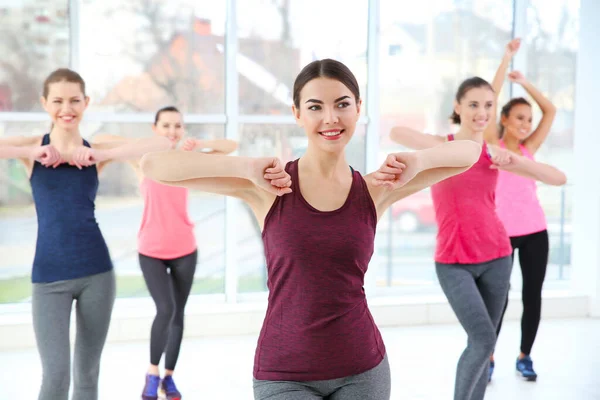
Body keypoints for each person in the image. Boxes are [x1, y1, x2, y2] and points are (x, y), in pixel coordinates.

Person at [139, 58, 481, 400]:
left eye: (342, 104)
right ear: (297, 113)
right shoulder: (270, 186)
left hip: (363, 369)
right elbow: (154, 165)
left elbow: (470, 151)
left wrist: (419, 160)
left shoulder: (376, 189)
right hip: (283, 374)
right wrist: (246, 167)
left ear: (358, 108)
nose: (330, 118)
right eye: (315, 107)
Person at [389, 70, 566, 399]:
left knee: (483, 345)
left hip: (498, 258)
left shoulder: (494, 154)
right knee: (484, 338)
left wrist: (512, 159)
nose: (481, 112)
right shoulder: (444, 147)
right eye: (473, 104)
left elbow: (557, 178)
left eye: (488, 104)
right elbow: (397, 130)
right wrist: (435, 154)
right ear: (458, 106)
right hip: (453, 262)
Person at [0, 68, 172, 400]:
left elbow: (163, 142)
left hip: (97, 274)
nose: (67, 108)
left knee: (87, 374)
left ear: (86, 102)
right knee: (55, 376)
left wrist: (103, 155)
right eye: (58, 101)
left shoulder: (97, 147)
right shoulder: (32, 148)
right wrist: (34, 153)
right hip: (49, 278)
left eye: (75, 100)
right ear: (45, 104)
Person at [95, 106, 238, 400]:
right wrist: (147, 144)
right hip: (151, 251)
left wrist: (198, 145)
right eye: (166, 126)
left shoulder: (188, 160)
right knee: (166, 309)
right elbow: (103, 140)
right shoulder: (143, 161)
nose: (172, 131)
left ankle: (168, 378)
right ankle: (151, 373)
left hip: (185, 249)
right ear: (155, 128)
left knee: (178, 315)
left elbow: (230, 147)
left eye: (177, 126)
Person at [485, 39, 563, 382]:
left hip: (535, 232)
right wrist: (505, 61)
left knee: (533, 296)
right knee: (497, 300)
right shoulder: (492, 145)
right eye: (519, 117)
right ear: (503, 118)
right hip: (500, 233)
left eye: (528, 119)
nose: (526, 124)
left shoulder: (529, 148)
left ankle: (524, 356)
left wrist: (526, 83)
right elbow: (490, 96)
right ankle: (486, 357)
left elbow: (551, 111)